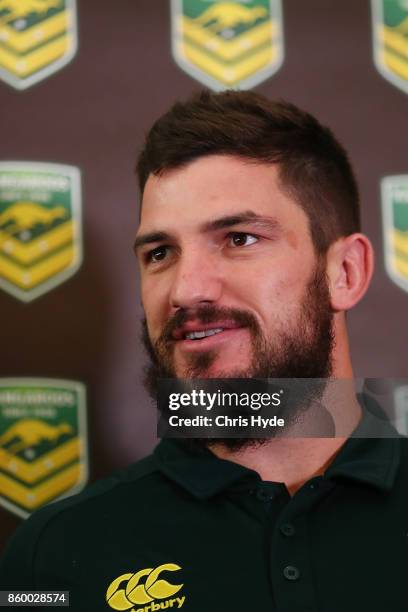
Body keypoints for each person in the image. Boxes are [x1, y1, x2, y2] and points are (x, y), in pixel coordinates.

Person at [0, 90, 406, 612]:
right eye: (160, 253)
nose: (187, 289)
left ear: (344, 273)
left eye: (239, 239)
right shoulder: (51, 556)